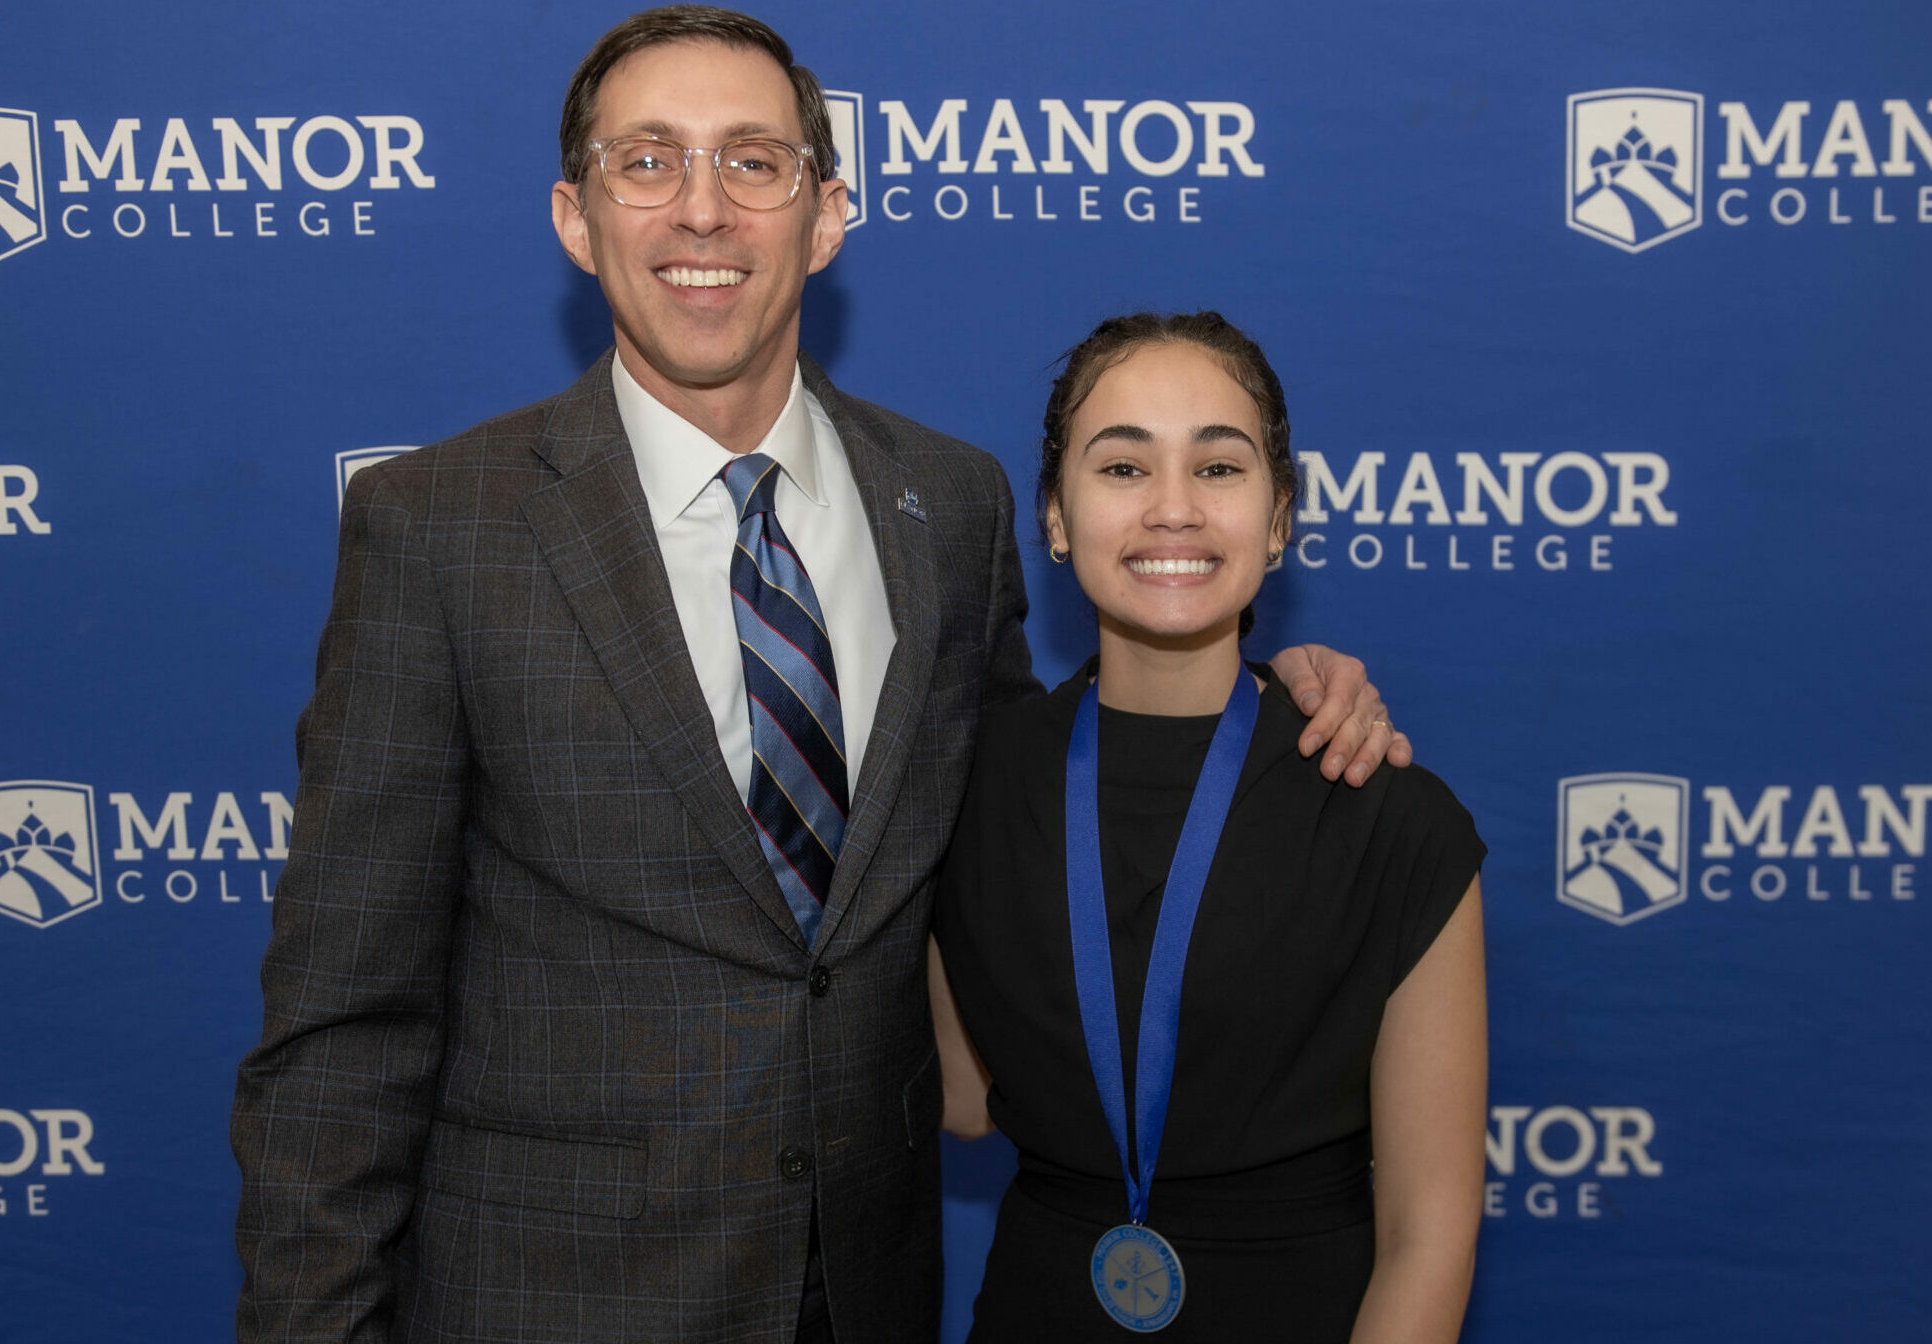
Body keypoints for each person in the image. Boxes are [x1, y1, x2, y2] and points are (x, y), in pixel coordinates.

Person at [229, 10, 1409, 1343]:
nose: (702, 210)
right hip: (550, 1299)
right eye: (647, 161)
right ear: (575, 216)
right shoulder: (439, 527)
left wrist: (1261, 683)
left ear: (828, 212)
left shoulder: (949, 507)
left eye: (752, 161)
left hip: (868, 1292)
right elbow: (343, 1024)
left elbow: (1034, 822)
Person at [930, 312, 1487, 1342]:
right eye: (1123, 468)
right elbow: (961, 1100)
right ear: (1054, 516)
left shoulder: (1392, 820)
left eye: (1220, 468)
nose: (1174, 510)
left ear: (1280, 518)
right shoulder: (962, 786)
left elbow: (1430, 1232)